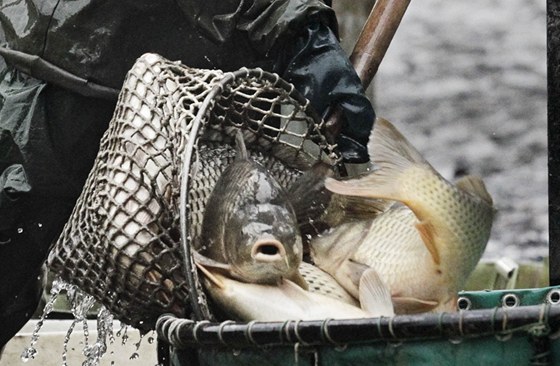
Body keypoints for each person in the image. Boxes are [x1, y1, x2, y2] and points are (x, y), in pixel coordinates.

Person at [0, 0, 375, 349]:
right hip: (53, 69)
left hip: (206, 91)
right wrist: (299, 28)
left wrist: (304, 30)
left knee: (202, 293)